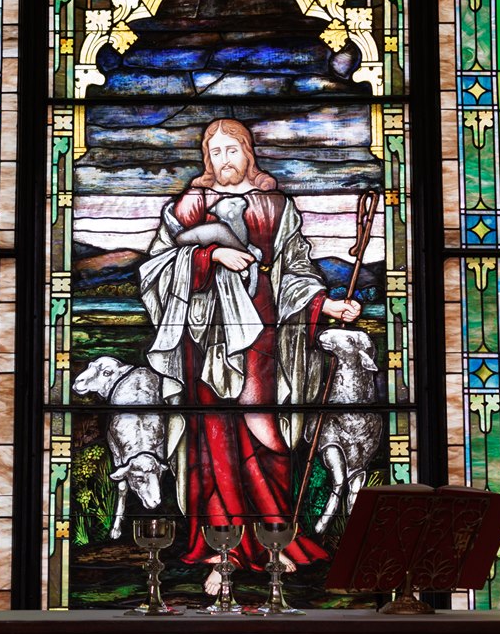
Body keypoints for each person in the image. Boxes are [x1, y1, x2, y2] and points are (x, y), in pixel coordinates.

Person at [139, 118, 361, 576]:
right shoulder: (188, 206)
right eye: (215, 152)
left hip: (263, 339)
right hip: (204, 342)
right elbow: (154, 268)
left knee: (266, 436)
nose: (224, 161)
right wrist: (209, 256)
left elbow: (296, 272)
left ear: (248, 152)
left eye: (232, 150)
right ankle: (222, 552)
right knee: (213, 441)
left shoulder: (275, 206)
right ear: (207, 159)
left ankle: (275, 536)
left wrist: (326, 307)